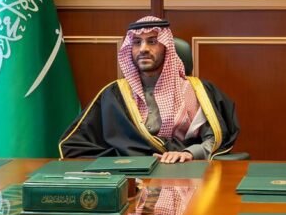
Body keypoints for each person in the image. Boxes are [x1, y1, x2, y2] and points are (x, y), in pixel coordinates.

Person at [59, 16, 239, 162]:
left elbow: (215, 137)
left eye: (152, 41)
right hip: (130, 177)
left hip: (182, 172)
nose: (143, 49)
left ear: (167, 47)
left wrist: (190, 153)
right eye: (137, 42)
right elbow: (76, 144)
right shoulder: (115, 94)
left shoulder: (195, 90)